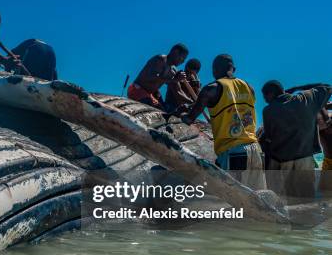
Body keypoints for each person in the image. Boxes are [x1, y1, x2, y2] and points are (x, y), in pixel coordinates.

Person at [181, 54, 265, 190]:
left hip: (233, 151)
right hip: (255, 150)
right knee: (260, 199)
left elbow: (189, 118)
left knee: (233, 200)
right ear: (234, 69)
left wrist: (183, 114)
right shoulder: (249, 87)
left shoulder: (211, 89)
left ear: (214, 70)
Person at [260, 81, 331, 201]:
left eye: (265, 97)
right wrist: (297, 87)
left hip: (282, 161)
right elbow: (327, 87)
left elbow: (268, 140)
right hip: (305, 159)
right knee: (307, 199)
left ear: (270, 94)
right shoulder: (306, 99)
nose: (266, 100)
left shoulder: (268, 110)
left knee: (286, 201)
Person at [128, 43, 189, 110]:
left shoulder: (172, 69)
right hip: (137, 90)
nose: (183, 61)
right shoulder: (161, 59)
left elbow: (178, 90)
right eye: (183, 57)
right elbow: (153, 77)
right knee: (155, 109)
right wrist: (174, 79)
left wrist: (191, 101)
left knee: (165, 110)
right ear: (175, 52)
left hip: (149, 95)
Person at [318, 105, 332, 193]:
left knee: (326, 194)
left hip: (328, 161)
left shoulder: (325, 126)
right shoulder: (326, 125)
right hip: (328, 162)